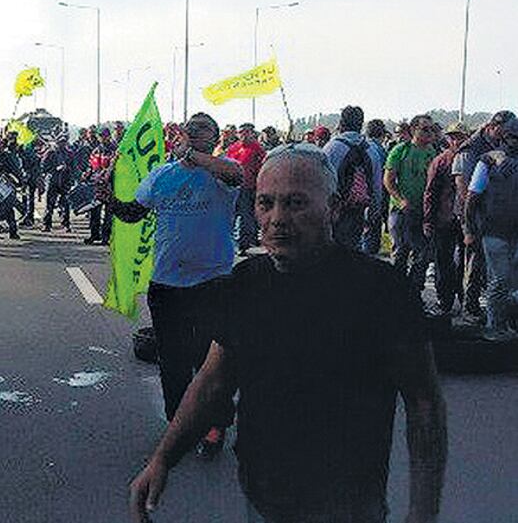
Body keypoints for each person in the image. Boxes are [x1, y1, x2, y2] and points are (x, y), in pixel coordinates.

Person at [129, 143, 447, 523]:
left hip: (348, 506)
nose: (277, 218)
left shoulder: (382, 290)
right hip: (263, 498)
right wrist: (163, 459)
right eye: (266, 203)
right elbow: (213, 383)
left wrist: (423, 511)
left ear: (332, 207)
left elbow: (424, 402)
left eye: (295, 203)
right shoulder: (245, 284)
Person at [99, 113, 242, 456]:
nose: (194, 132)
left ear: (215, 137)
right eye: (190, 128)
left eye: (203, 128)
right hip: (167, 283)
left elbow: (237, 175)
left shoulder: (223, 173)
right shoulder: (163, 175)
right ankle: (180, 422)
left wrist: (191, 155)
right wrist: (110, 200)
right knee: (174, 360)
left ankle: (215, 424)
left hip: (213, 282)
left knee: (208, 359)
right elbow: (135, 212)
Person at [452, 110, 516, 324]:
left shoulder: (499, 157)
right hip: (486, 223)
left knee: (504, 279)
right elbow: (468, 194)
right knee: (487, 273)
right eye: (511, 136)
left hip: (508, 227)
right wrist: (469, 227)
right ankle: (475, 312)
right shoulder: (480, 155)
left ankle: (500, 320)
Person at [384, 114, 437, 299]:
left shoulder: (432, 152)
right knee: (400, 251)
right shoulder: (400, 150)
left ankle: (414, 293)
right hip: (401, 211)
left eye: (431, 129)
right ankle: (395, 294)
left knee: (422, 253)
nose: (429, 133)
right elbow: (388, 181)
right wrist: (401, 200)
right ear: (414, 130)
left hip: (423, 211)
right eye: (425, 129)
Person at [423, 122, 470, 317]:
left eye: (460, 136)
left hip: (466, 219)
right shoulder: (440, 161)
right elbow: (430, 192)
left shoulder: (472, 160)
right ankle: (444, 300)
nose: (456, 140)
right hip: (444, 218)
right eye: (453, 136)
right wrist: (428, 220)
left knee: (464, 262)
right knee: (443, 260)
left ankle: (464, 298)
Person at [323, 106, 382, 251]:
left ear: (341, 123)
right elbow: (376, 186)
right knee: (352, 250)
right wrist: (374, 212)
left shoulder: (331, 148)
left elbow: (322, 181)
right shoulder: (370, 149)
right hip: (358, 209)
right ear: (361, 124)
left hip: (332, 208)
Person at [226, 123, 266, 255]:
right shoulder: (233, 149)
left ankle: (245, 243)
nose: (243, 134)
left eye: (246, 132)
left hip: (249, 188)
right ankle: (231, 243)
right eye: (241, 132)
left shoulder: (258, 149)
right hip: (232, 188)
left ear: (252, 133)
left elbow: (262, 168)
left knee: (246, 216)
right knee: (231, 216)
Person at [362, 119, 389, 255]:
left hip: (357, 198)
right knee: (371, 240)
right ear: (382, 134)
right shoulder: (380, 151)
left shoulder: (362, 146)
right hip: (374, 197)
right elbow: (382, 179)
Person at [41, 134, 74, 232]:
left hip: (64, 181)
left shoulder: (69, 153)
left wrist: (67, 169)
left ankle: (66, 224)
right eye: (61, 142)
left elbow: (73, 167)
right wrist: (55, 169)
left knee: (65, 204)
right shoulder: (50, 152)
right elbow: (43, 166)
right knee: (49, 204)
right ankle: (47, 224)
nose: (62, 144)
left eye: (64, 142)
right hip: (53, 181)